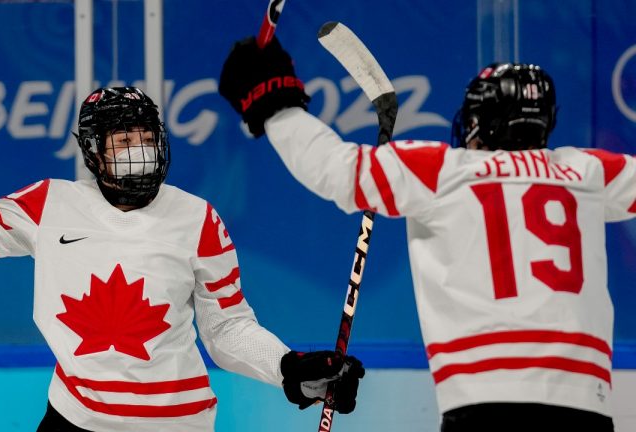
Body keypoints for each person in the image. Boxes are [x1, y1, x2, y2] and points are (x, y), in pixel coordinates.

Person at [219, 36, 636, 431]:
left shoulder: (444, 170)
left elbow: (334, 170)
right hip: (587, 404)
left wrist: (274, 102)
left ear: (481, 122)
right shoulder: (587, 171)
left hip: (483, 402)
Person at [0, 68, 365, 431]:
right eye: (124, 141)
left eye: (146, 139)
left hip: (176, 422)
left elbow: (226, 329)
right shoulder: (51, 203)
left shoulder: (198, 219)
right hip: (74, 417)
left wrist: (287, 367)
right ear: (93, 152)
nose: (139, 151)